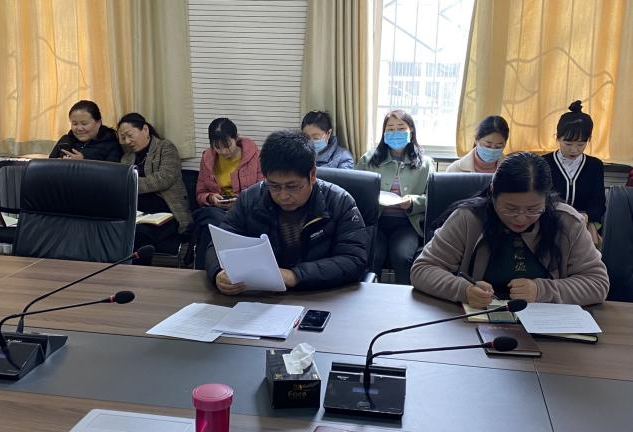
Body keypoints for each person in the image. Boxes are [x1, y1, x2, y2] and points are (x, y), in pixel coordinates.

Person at [410, 152, 609, 307]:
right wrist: (464, 290)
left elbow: (597, 283)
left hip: (546, 327)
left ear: (546, 199)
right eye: (510, 209)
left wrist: (541, 291)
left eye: (533, 209)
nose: (521, 218)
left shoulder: (567, 222)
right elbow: (423, 269)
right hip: (477, 322)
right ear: (492, 193)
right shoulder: (469, 219)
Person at [206, 130, 367, 294]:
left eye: (292, 187)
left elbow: (354, 260)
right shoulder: (250, 199)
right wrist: (218, 273)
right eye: (274, 186)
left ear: (312, 175)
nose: (283, 196)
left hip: (321, 296)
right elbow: (218, 245)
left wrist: (295, 276)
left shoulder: (339, 202)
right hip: (264, 297)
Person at [356, 109, 434, 284]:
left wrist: (414, 202)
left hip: (407, 224)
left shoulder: (425, 164)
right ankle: (369, 296)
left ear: (411, 131)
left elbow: (434, 198)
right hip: (375, 222)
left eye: (401, 128)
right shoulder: (368, 159)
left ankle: (403, 299)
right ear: (383, 133)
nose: (395, 133)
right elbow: (355, 191)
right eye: (390, 129)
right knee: (373, 256)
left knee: (402, 256)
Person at [118, 113, 192, 265]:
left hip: (166, 214)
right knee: (120, 230)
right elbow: (120, 185)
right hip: (137, 214)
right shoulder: (126, 158)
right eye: (123, 138)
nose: (127, 141)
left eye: (130, 135)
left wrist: (131, 183)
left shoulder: (166, 148)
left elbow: (163, 179)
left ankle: (137, 274)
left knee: (139, 234)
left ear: (145, 129)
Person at [193, 118, 263, 269]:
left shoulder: (255, 157)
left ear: (236, 138)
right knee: (212, 220)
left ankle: (206, 272)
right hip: (216, 210)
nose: (223, 152)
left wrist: (240, 201)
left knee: (212, 228)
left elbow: (262, 191)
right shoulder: (207, 159)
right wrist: (211, 198)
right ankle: (217, 271)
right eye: (217, 147)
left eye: (227, 146)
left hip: (245, 211)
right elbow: (200, 193)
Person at [542, 100, 605, 246]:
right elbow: (541, 198)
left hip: (583, 224)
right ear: (557, 137)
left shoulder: (594, 165)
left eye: (581, 144)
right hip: (551, 222)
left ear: (588, 140)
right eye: (568, 143)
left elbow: (599, 204)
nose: (574, 150)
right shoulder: (544, 163)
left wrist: (587, 216)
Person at [49, 100, 123, 162]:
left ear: (98, 122)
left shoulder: (111, 145)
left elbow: (112, 173)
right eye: (75, 124)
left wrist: (83, 163)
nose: (79, 128)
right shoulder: (65, 141)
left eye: (84, 124)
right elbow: (48, 167)